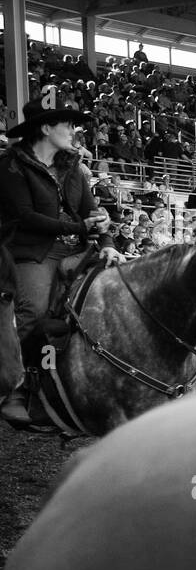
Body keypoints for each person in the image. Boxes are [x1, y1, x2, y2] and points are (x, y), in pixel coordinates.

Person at [0, 98, 123, 430]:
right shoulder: (10, 165)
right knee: (35, 311)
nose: (73, 130)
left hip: (75, 248)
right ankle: (17, 389)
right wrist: (78, 229)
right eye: (66, 124)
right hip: (32, 252)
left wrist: (108, 243)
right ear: (45, 128)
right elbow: (26, 217)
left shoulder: (73, 167)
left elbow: (92, 211)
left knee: (121, 294)